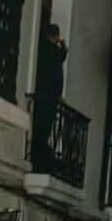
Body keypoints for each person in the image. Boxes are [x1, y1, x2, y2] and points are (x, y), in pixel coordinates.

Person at [31, 24, 67, 168]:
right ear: (55, 35)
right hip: (48, 98)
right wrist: (62, 44)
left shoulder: (47, 49)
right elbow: (61, 56)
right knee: (43, 128)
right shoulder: (51, 50)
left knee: (43, 128)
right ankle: (39, 155)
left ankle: (40, 153)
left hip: (47, 97)